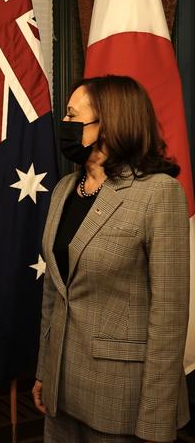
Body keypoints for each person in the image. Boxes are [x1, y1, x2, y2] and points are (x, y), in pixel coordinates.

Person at [33, 75, 190, 442]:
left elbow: (169, 319)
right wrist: (44, 370)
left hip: (122, 400)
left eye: (74, 117)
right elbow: (55, 292)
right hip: (63, 391)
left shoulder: (158, 194)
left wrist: (156, 420)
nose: (65, 126)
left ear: (109, 124)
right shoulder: (64, 190)